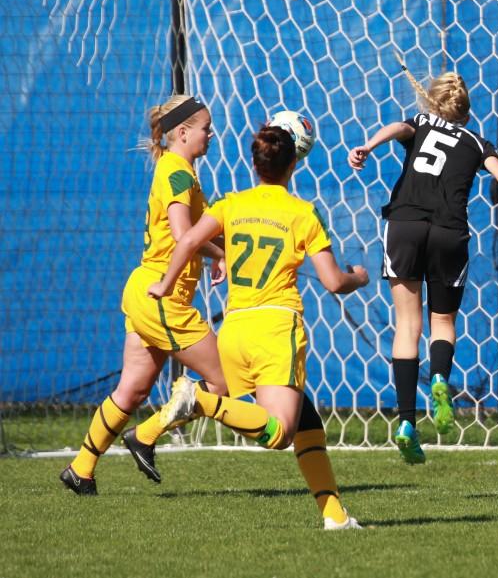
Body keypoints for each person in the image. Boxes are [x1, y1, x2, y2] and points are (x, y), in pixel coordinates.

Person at [347, 65, 498, 464]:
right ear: (465, 114)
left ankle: (406, 423)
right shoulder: (476, 142)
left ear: (431, 104)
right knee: (443, 322)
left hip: (405, 225)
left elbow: (396, 129)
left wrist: (369, 145)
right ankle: (439, 377)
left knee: (407, 325)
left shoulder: (419, 122)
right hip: (449, 232)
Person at [149, 124, 369, 530]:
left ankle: (335, 516)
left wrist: (164, 282)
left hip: (234, 329)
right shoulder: (303, 213)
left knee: (305, 422)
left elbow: (188, 240)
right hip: (274, 329)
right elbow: (334, 282)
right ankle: (199, 401)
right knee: (279, 433)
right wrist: (358, 276)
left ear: (255, 163)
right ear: (295, 163)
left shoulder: (232, 204)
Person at [60, 95, 230, 495]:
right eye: (206, 127)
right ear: (183, 132)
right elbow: (182, 234)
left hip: (145, 291)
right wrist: (220, 253)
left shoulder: (177, 168)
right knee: (224, 380)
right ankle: (146, 435)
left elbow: (186, 235)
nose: (211, 133)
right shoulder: (178, 173)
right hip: (161, 297)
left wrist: (214, 250)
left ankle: (81, 469)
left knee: (133, 389)